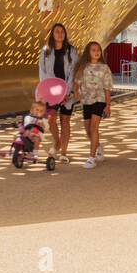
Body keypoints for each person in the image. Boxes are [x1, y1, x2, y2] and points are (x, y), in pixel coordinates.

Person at [38, 22, 77, 161]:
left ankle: (64, 153)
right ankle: (57, 142)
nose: (60, 34)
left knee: (65, 120)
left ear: (65, 34)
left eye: (62, 31)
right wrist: (45, 89)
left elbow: (73, 72)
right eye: (56, 31)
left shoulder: (71, 50)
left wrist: (66, 92)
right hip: (52, 91)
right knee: (51, 118)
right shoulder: (46, 50)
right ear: (52, 34)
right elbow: (42, 71)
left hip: (67, 92)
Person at [73, 40, 114, 169]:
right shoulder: (83, 67)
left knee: (93, 127)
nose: (96, 52)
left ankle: (91, 158)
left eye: (98, 50)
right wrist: (76, 92)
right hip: (86, 101)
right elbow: (77, 83)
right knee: (87, 130)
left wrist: (108, 105)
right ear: (88, 52)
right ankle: (98, 145)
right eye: (93, 50)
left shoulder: (104, 68)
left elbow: (107, 87)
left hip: (99, 100)